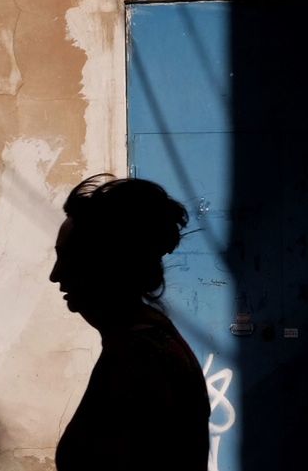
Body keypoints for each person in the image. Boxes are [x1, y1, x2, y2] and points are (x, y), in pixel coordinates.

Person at [50, 175, 210, 471]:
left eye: (68, 259)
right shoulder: (141, 344)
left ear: (107, 264)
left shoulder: (139, 359)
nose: (55, 275)